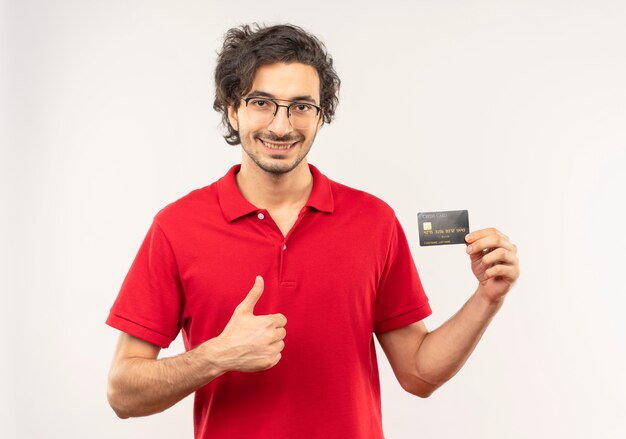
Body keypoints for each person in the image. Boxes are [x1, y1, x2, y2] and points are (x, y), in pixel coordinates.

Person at [106, 23, 520, 439]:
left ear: (322, 115)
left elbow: (418, 373)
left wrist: (487, 296)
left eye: (301, 106)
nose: (282, 127)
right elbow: (122, 393)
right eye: (261, 102)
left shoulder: (374, 221)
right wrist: (217, 355)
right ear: (233, 109)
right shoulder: (178, 227)